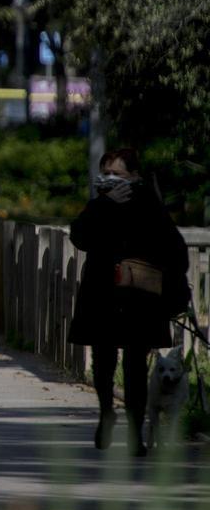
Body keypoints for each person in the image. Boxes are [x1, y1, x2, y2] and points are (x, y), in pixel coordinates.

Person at [68, 148, 188, 457]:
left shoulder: (150, 206)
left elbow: (176, 250)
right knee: (103, 359)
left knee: (135, 364)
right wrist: (105, 206)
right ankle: (106, 411)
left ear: (134, 176)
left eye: (117, 175)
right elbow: (79, 237)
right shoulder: (98, 205)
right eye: (105, 174)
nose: (110, 180)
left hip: (139, 298)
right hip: (102, 295)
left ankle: (136, 432)